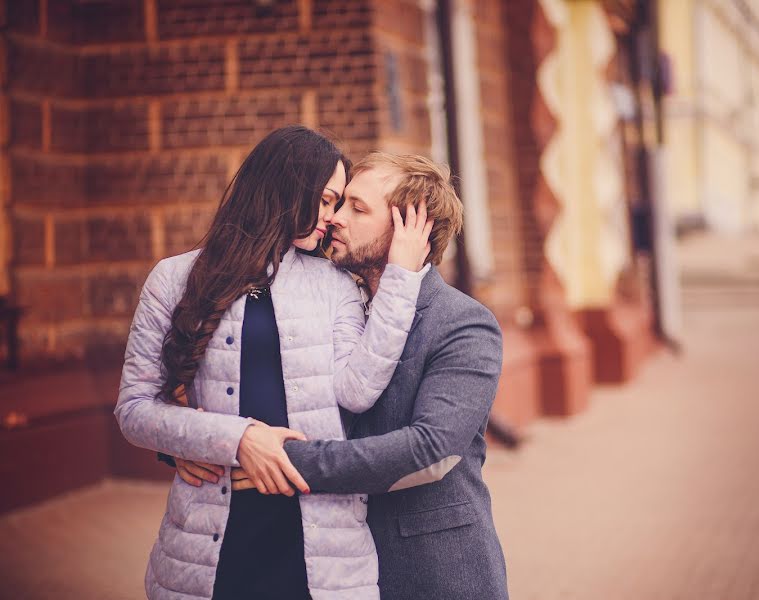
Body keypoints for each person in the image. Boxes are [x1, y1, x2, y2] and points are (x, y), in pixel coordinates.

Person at [114, 126, 433, 600]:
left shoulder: (334, 285)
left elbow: (358, 390)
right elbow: (135, 409)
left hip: (319, 538)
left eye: (341, 204)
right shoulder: (175, 277)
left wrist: (403, 278)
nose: (332, 217)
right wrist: (237, 439)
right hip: (211, 532)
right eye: (326, 201)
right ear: (287, 187)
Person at [223, 152, 510, 599]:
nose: (334, 218)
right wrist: (200, 443)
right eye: (339, 204)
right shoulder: (328, 306)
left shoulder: (463, 324)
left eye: (357, 208)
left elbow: (431, 449)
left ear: (411, 228)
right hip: (330, 567)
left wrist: (287, 460)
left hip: (433, 572)